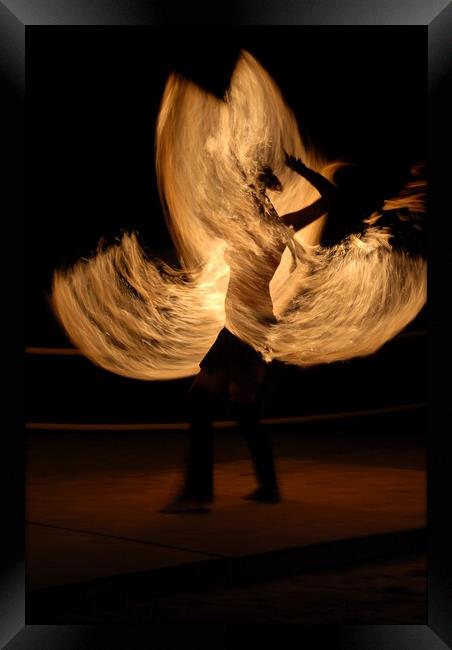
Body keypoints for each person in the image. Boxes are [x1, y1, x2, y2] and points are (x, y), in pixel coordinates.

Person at [159, 155, 338, 513]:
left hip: (244, 326)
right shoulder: (275, 228)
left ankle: (198, 493)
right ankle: (268, 487)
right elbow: (329, 198)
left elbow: (332, 199)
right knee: (242, 408)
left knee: (199, 402)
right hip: (255, 325)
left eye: (252, 199)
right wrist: (277, 173)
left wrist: (282, 174)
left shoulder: (263, 230)